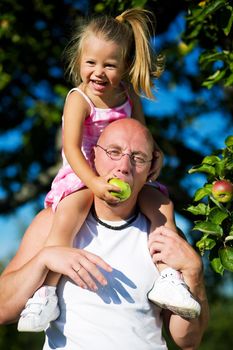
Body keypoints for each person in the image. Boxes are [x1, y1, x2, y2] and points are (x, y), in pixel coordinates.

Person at [12, 8, 200, 333]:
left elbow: (143, 138)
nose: (98, 72)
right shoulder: (78, 99)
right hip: (81, 173)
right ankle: (45, 293)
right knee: (67, 218)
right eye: (91, 63)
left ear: (124, 66)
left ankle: (169, 276)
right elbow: (71, 149)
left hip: (123, 172)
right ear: (80, 61)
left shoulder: (128, 96)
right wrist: (95, 184)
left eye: (109, 65)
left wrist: (158, 157)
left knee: (161, 206)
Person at [0, 119, 209, 349]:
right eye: (114, 152)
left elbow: (188, 341)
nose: (124, 166)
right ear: (93, 158)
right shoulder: (53, 222)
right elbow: (2, 310)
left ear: (150, 170)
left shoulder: (163, 234)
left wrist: (193, 272)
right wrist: (43, 259)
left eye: (138, 157)